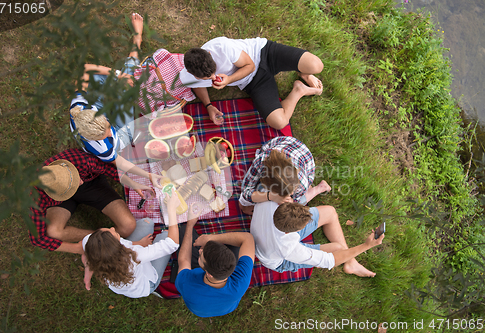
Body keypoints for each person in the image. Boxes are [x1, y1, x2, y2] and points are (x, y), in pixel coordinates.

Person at [69, 13, 161, 198]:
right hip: (123, 132)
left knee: (115, 80)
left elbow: (84, 70)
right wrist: (148, 175)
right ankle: (137, 39)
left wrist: (118, 75)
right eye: (106, 135)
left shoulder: (78, 107)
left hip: (100, 105)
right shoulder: (102, 148)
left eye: (106, 127)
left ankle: (128, 68)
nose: (109, 132)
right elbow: (120, 163)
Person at [180, 37, 324, 129]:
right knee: (279, 122)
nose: (213, 77)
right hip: (254, 81)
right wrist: (209, 106)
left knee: (317, 65)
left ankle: (303, 72)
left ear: (209, 54)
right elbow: (196, 84)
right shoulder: (190, 75)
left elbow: (250, 66)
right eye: (207, 78)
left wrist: (229, 79)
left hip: (263, 53)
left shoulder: (223, 47)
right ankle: (299, 90)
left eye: (213, 71)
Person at [30, 148, 151, 254]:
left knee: (128, 226)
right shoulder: (35, 197)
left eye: (76, 178)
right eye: (72, 186)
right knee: (54, 232)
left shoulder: (81, 160)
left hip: (91, 186)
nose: (80, 181)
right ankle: (100, 240)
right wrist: (76, 248)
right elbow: (37, 239)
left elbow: (109, 169)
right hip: (61, 201)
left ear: (66, 166)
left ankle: (104, 239)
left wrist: (133, 183)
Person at [81, 192, 180, 297]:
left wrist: (139, 243)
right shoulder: (135, 256)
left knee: (147, 223)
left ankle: (88, 270)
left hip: (124, 277)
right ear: (117, 246)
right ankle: (153, 287)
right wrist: (171, 210)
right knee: (166, 235)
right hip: (145, 285)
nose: (113, 228)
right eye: (112, 232)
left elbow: (87, 252)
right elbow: (172, 244)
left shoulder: (90, 241)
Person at [250, 201, 383, 277]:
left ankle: (351, 262)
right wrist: (366, 245)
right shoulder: (288, 249)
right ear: (290, 232)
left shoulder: (272, 200)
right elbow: (329, 261)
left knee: (330, 212)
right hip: (279, 260)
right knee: (338, 249)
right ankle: (351, 264)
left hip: (270, 233)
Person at [174, 210, 255, 317]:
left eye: (201, 257)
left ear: (209, 273)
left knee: (183, 231)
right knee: (238, 243)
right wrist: (210, 238)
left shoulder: (186, 283)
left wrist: (190, 225)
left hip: (199, 309)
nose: (200, 251)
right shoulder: (241, 281)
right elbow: (248, 238)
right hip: (226, 307)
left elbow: (184, 260)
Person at [239, 136, 331, 215]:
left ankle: (320, 188)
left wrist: (291, 201)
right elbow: (246, 191)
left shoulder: (302, 182)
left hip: (304, 160)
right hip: (282, 146)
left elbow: (295, 201)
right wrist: (270, 196)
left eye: (292, 192)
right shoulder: (262, 161)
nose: (291, 194)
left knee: (295, 206)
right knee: (244, 203)